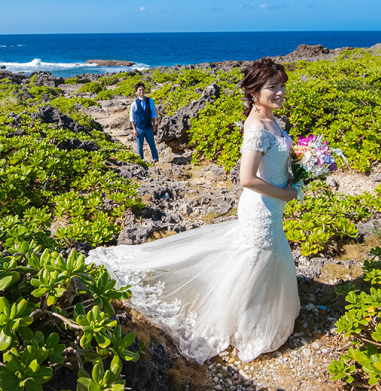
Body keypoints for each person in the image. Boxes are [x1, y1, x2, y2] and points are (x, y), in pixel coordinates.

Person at [87, 58, 300, 364]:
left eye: (282, 86)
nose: (279, 92)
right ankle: (243, 321)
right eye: (272, 87)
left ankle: (252, 313)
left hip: (274, 202)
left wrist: (290, 176)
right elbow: (246, 178)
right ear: (254, 92)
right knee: (255, 257)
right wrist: (284, 193)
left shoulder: (272, 120)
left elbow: (273, 163)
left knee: (263, 258)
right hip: (261, 206)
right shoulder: (255, 126)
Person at [130, 82, 159, 162]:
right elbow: (132, 118)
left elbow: (153, 114)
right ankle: (141, 161)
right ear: (136, 92)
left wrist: (154, 125)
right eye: (139, 90)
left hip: (148, 127)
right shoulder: (134, 104)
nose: (141, 92)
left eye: (142, 90)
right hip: (139, 128)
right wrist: (134, 129)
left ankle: (156, 159)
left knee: (152, 145)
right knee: (139, 146)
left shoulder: (150, 101)